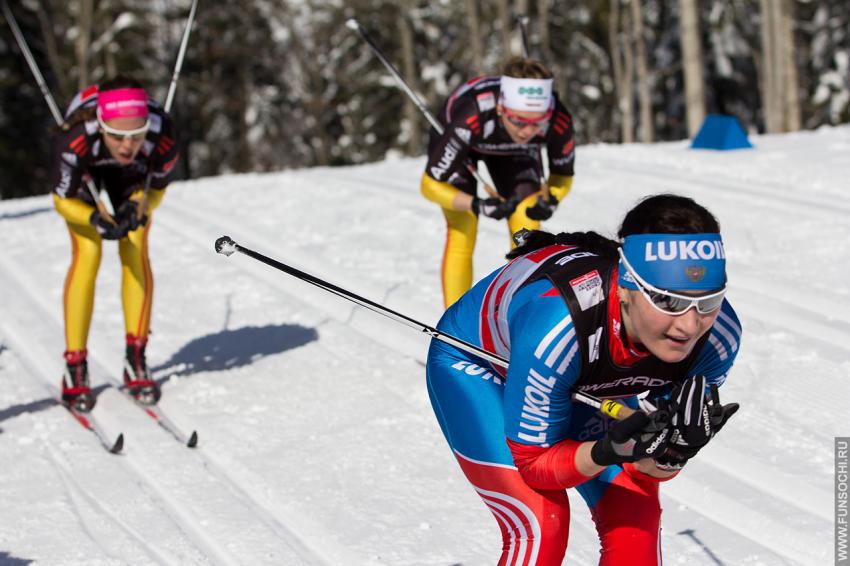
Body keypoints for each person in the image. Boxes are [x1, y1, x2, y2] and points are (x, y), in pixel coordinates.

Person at [425, 194, 742, 565]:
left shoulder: (717, 338)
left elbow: (646, 466)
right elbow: (537, 466)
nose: (689, 326)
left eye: (707, 301)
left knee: (634, 513)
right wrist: (605, 452)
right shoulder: (560, 325)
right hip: (482, 367)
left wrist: (673, 452)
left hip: (580, 381)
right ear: (626, 286)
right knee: (542, 521)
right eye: (667, 302)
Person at [52, 75, 179, 411]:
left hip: (132, 177)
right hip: (88, 175)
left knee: (135, 244)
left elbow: (157, 191)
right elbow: (62, 201)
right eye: (118, 136)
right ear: (100, 125)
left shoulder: (162, 137)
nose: (127, 146)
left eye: (136, 136)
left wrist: (141, 206)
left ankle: (135, 357)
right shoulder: (76, 137)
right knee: (89, 252)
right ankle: (75, 365)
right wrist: (93, 217)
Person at [421, 57, 576, 308]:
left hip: (513, 153)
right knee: (463, 228)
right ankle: (454, 323)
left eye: (537, 121)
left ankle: (519, 309)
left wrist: (552, 198)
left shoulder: (557, 119)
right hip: (463, 143)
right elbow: (429, 185)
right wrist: (476, 204)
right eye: (519, 120)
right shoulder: (472, 114)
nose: (527, 131)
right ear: (502, 108)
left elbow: (563, 175)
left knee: (527, 222)